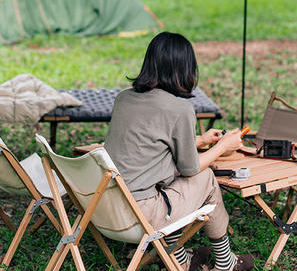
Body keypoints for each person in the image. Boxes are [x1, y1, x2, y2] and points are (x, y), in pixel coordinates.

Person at [105, 32, 254, 271]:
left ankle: (180, 260)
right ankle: (226, 264)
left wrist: (201, 140)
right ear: (184, 69)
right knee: (204, 178)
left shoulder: (124, 98)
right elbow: (190, 168)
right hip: (139, 215)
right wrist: (223, 146)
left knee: (168, 174)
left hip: (104, 208)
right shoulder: (179, 109)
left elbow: (150, 144)